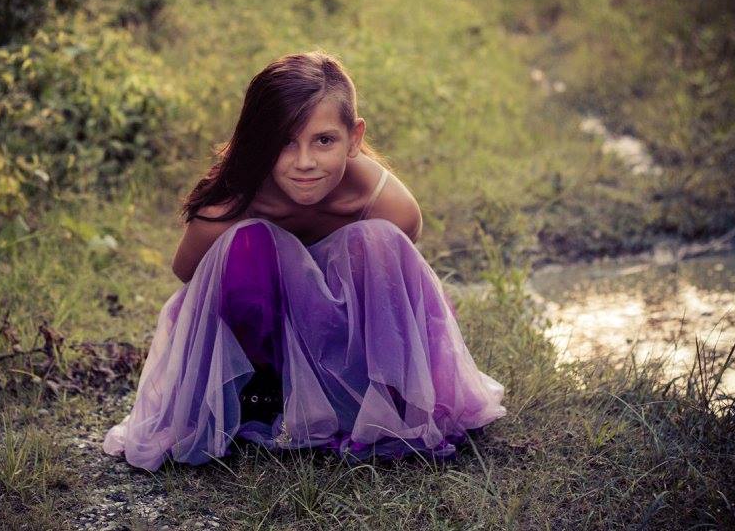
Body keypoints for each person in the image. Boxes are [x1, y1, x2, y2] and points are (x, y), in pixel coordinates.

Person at [103, 50, 506, 471]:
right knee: (246, 243)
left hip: (347, 347)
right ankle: (259, 399)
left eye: (324, 140)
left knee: (379, 242)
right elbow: (190, 276)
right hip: (266, 347)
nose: (305, 162)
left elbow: (402, 295)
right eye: (284, 142)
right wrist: (272, 262)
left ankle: (377, 398)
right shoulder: (235, 201)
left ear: (354, 138)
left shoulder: (389, 205)